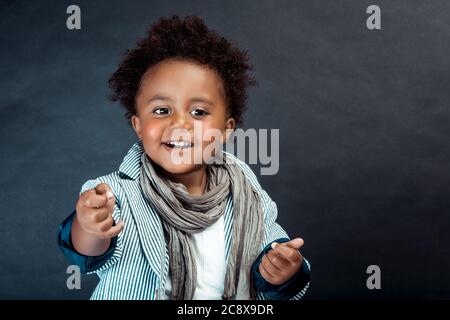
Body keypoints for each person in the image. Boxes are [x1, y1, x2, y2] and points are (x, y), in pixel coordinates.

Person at [57, 15, 311, 300]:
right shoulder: (116, 193)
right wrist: (90, 226)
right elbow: (88, 252)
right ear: (138, 125)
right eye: (162, 110)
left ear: (226, 129)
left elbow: (271, 247)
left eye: (199, 112)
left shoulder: (245, 191)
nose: (179, 125)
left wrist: (282, 269)